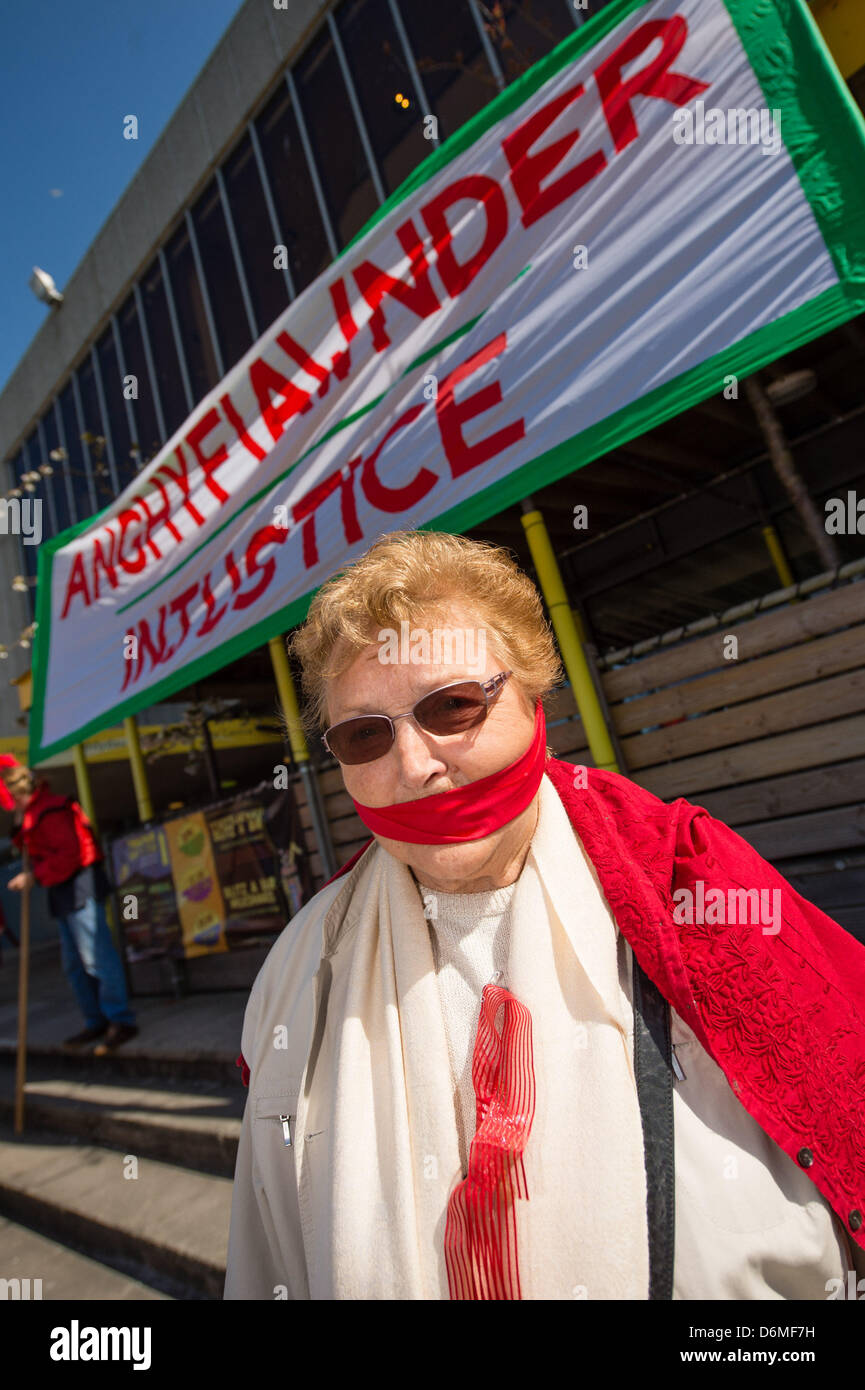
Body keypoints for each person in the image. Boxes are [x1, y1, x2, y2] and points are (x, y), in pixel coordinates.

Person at [224, 530, 865, 1301]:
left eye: (452, 707)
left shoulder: (689, 881)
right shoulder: (302, 969)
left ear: (532, 693)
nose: (415, 766)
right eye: (365, 735)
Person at [0, 755, 137, 1054]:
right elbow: (34, 849)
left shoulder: (51, 809)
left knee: (95, 957)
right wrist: (19, 829)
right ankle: (96, 1020)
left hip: (78, 883)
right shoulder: (33, 814)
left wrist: (34, 876)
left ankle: (120, 1020)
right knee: (73, 965)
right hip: (61, 889)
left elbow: (70, 854)